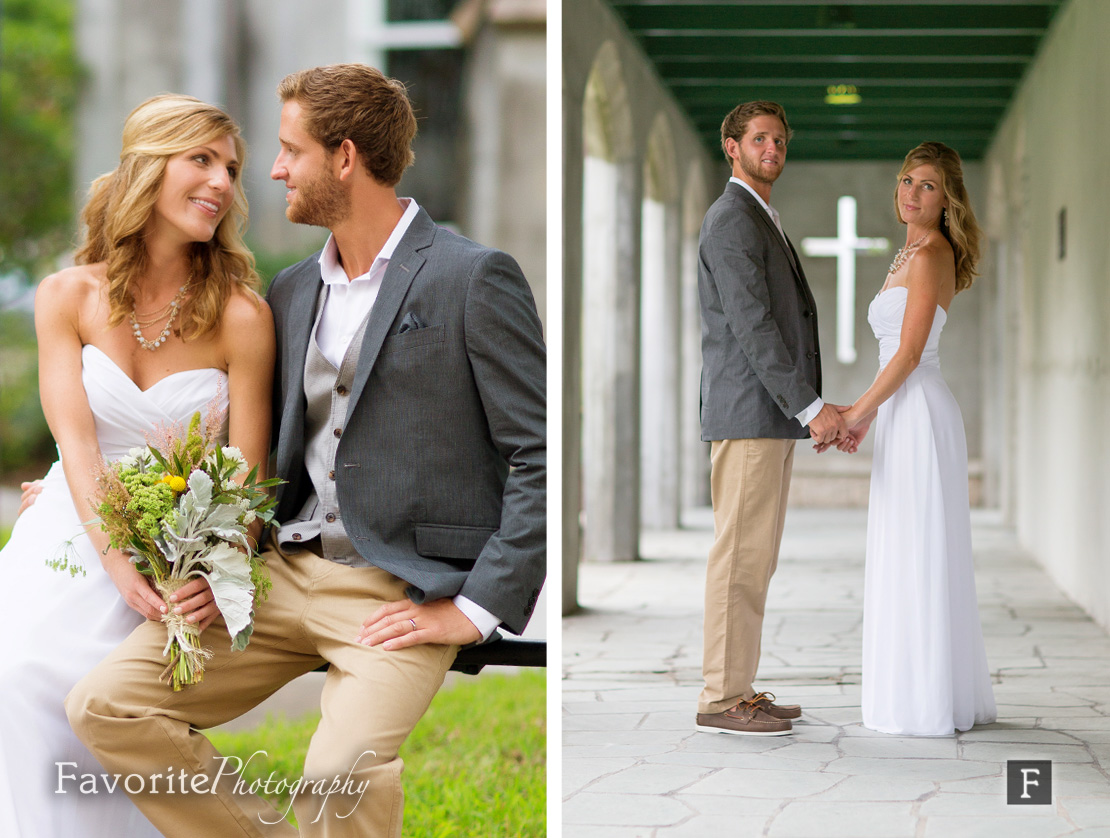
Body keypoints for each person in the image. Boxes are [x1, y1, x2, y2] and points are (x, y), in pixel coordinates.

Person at [64, 63, 546, 837]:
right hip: (276, 575)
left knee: (336, 780)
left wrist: (477, 607)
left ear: (345, 157)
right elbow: (223, 439)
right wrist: (89, 492)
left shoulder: (472, 278)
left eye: (290, 151)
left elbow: (538, 454)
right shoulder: (289, 293)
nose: (275, 170)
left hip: (398, 595)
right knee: (105, 704)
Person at [0, 94, 274, 836]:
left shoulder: (242, 316)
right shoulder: (65, 296)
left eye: (231, 168)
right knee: (19, 674)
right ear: (147, 167)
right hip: (73, 525)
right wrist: (118, 561)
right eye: (201, 159)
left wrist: (218, 572)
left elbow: (248, 475)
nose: (222, 183)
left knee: (111, 704)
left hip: (179, 547)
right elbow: (77, 444)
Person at [820, 142, 997, 736]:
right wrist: (869, 416)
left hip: (919, 410)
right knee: (904, 547)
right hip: (900, 411)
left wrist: (854, 412)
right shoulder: (907, 253)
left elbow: (911, 353)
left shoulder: (931, 254)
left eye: (926, 185)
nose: (911, 192)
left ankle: (925, 700)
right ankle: (913, 689)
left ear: (947, 200)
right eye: (906, 181)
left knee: (920, 547)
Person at [695, 101, 845, 737]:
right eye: (760, 139)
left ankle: (739, 686)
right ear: (732, 147)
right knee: (739, 556)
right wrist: (810, 407)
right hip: (751, 412)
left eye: (780, 140)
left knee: (754, 557)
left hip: (765, 415)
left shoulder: (758, 215)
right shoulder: (732, 219)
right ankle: (720, 697)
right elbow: (754, 327)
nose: (772, 149)